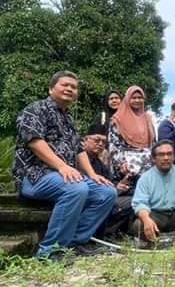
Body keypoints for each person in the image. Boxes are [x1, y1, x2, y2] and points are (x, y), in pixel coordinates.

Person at [12, 71, 116, 259]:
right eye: (65, 85)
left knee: (106, 192)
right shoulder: (35, 109)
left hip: (63, 176)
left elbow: (79, 149)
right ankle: (49, 251)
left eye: (73, 87)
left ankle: (75, 243)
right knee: (76, 188)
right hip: (34, 175)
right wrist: (62, 166)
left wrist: (92, 174)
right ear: (51, 89)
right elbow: (34, 141)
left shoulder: (68, 119)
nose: (69, 89)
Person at [132, 140, 175, 242]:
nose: (166, 158)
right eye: (161, 154)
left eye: (169, 154)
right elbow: (140, 203)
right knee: (139, 225)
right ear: (154, 158)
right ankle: (153, 245)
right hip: (157, 215)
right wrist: (146, 220)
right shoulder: (145, 178)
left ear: (174, 156)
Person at [84, 123, 133, 236]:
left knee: (135, 198)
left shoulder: (99, 162)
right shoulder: (80, 159)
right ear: (85, 140)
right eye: (97, 140)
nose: (100, 144)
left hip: (106, 195)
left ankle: (108, 233)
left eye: (103, 142)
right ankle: (98, 234)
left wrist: (120, 184)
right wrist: (115, 188)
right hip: (90, 199)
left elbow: (111, 180)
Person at [109, 86, 156, 194]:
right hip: (127, 165)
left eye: (140, 97)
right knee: (133, 195)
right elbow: (114, 144)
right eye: (133, 98)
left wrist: (155, 158)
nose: (137, 100)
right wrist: (120, 163)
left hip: (147, 163)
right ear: (127, 99)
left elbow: (153, 141)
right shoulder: (117, 119)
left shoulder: (147, 118)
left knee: (150, 193)